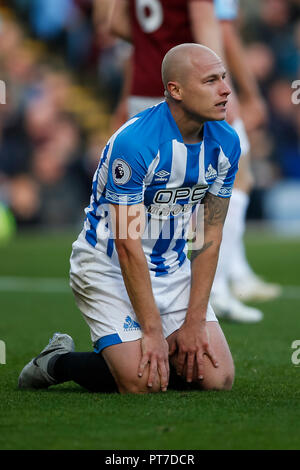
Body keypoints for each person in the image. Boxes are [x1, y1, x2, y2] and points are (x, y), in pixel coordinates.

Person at [19, 44, 237, 394]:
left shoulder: (227, 143)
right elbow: (126, 241)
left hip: (171, 268)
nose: (226, 89)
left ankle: (139, 352)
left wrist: (194, 321)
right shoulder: (135, 143)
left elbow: (209, 235)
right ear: (175, 90)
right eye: (211, 81)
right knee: (142, 383)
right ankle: (57, 361)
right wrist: (152, 332)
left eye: (223, 78)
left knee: (217, 378)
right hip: (108, 267)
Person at [103, 0, 281, 322]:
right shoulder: (212, 85)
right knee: (229, 179)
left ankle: (137, 291)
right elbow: (207, 27)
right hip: (189, 89)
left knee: (153, 194)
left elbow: (114, 23)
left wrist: (156, 45)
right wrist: (221, 87)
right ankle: (216, 289)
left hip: (147, 86)